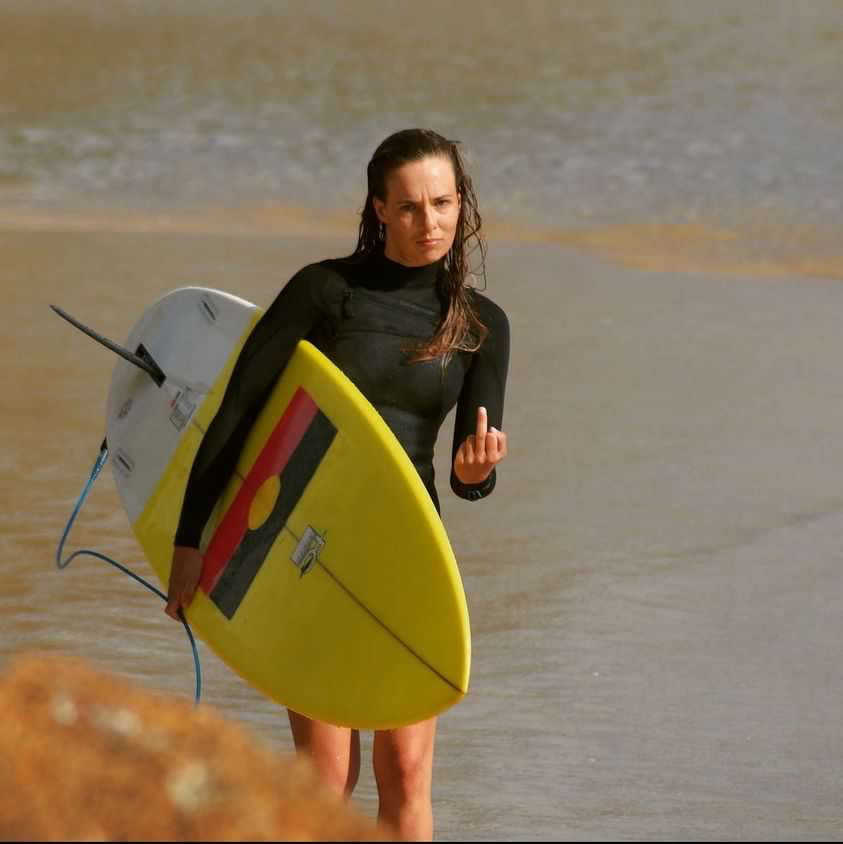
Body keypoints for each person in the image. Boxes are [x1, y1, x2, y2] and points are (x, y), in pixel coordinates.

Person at [164, 128, 510, 841]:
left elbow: (465, 469)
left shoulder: (480, 324)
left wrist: (475, 476)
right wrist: (189, 539)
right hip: (306, 550)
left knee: (407, 772)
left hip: (408, 556)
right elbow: (237, 412)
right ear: (379, 209)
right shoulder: (326, 293)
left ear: (461, 203)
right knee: (325, 779)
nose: (429, 222)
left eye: (442, 202)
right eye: (409, 206)